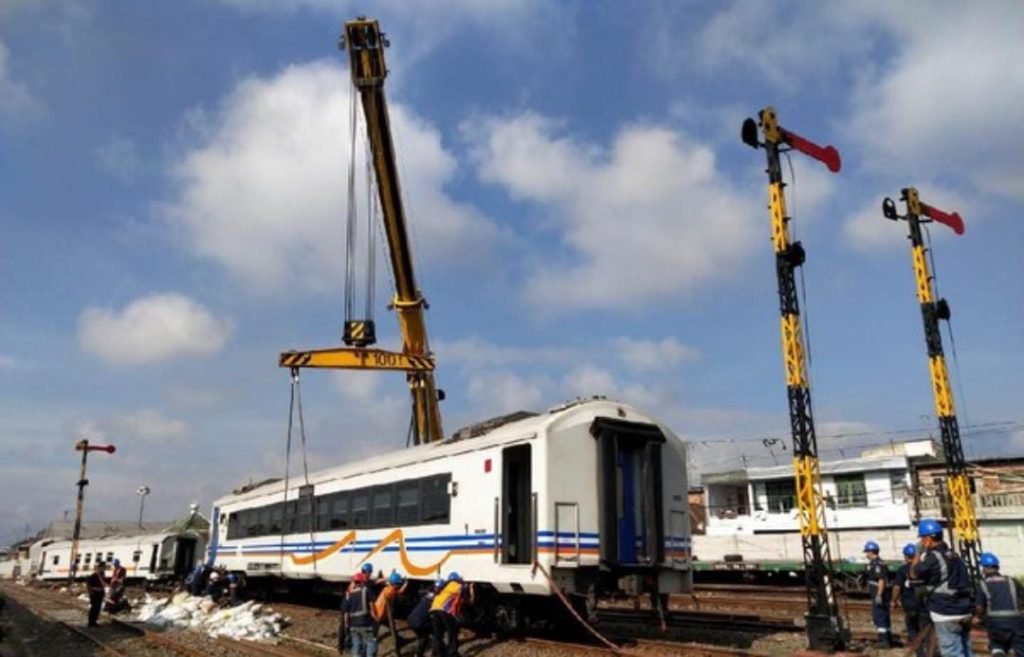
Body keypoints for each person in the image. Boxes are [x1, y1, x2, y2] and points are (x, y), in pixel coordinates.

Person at [912, 518, 974, 657]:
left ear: (928, 539)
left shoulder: (933, 557)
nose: (921, 542)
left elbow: (914, 573)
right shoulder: (955, 556)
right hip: (964, 609)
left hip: (945, 611)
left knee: (952, 652)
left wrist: (918, 553)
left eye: (922, 539)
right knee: (966, 650)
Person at [975, 552, 1023, 657]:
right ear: (998, 567)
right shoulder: (1013, 581)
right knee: (1019, 647)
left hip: (995, 623)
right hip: (1015, 622)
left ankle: (997, 651)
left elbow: (979, 608)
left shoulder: (982, 584)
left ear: (984, 569)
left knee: (997, 645)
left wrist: (978, 618)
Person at [892, 543, 931, 655]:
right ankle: (928, 652)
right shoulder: (924, 569)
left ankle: (919, 653)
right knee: (926, 631)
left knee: (913, 630)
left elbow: (897, 587)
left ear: (906, 556)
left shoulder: (902, 570)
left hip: (910, 607)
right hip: (924, 606)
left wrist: (894, 600)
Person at [430, 572, 474, 657]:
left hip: (434, 609)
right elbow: (469, 601)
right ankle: (452, 654)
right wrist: (471, 588)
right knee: (452, 632)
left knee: (438, 634)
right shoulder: (459, 586)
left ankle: (437, 654)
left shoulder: (444, 586)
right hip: (445, 611)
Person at [865, 540, 893, 648]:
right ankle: (887, 638)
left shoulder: (877, 564)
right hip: (880, 594)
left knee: (879, 616)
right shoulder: (877, 563)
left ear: (872, 552)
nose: (866, 554)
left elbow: (881, 580)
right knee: (884, 616)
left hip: (879, 594)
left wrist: (879, 595)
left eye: (867, 551)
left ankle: (884, 640)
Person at [342, 572, 378, 657]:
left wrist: (347, 626)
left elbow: (346, 613)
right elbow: (372, 607)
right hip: (365, 623)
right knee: (370, 643)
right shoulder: (367, 590)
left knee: (356, 646)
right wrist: (375, 618)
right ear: (362, 582)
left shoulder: (349, 595)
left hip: (353, 625)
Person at [373, 572, 408, 652]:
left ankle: (400, 640)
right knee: (378, 629)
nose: (399, 585)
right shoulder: (391, 591)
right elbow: (399, 593)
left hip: (378, 611)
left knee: (388, 627)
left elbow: (387, 584)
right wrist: (405, 584)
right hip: (381, 614)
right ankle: (372, 643)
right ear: (395, 584)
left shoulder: (387, 588)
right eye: (399, 584)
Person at [407, 580, 443, 657]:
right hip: (419, 622)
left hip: (410, 619)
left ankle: (418, 654)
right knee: (436, 633)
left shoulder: (428, 594)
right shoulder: (438, 598)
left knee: (423, 636)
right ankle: (437, 653)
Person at [85, 561, 106, 627]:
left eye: (104, 567)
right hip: (95, 593)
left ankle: (94, 621)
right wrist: (91, 593)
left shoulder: (102, 574)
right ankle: (91, 622)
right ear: (99, 567)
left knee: (98, 608)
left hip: (100, 593)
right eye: (102, 567)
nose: (103, 569)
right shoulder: (94, 575)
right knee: (94, 608)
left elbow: (103, 584)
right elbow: (88, 584)